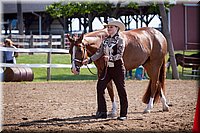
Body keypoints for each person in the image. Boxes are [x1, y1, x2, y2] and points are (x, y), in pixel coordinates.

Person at [83, 18, 128, 121]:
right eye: (108, 27)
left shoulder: (120, 40)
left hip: (117, 68)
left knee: (121, 90)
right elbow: (98, 53)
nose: (109, 29)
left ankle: (123, 114)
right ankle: (102, 112)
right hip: (107, 68)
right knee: (100, 87)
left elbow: (120, 54)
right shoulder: (105, 41)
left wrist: (110, 58)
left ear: (117, 28)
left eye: (111, 27)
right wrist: (89, 60)